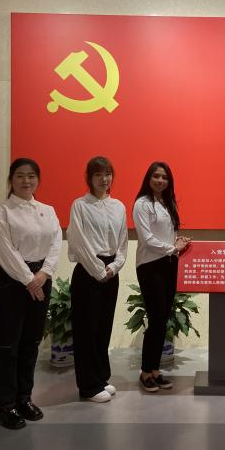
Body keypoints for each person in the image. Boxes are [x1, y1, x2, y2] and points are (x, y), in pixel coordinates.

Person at [0, 158, 62, 429]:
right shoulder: (1, 212)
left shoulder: (47, 210)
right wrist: (30, 280)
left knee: (30, 341)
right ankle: (5, 405)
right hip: (9, 281)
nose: (26, 181)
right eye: (20, 176)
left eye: (31, 176)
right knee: (6, 344)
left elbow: (56, 243)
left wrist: (44, 273)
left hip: (41, 278)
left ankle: (24, 398)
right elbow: (5, 251)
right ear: (11, 180)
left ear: (38, 180)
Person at [68, 156, 128, 403]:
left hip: (110, 272)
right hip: (87, 272)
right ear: (89, 178)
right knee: (86, 330)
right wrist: (98, 270)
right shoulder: (80, 205)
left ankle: (101, 378)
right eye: (98, 175)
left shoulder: (119, 207)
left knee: (103, 327)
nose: (104, 179)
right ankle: (88, 386)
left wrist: (113, 267)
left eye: (108, 174)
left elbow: (122, 243)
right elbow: (77, 241)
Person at [133, 162, 190, 392]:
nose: (160, 180)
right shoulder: (142, 204)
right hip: (150, 265)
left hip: (168, 264)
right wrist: (173, 248)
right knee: (156, 319)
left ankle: (155, 370)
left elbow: (168, 234)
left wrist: (178, 242)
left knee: (163, 319)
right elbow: (146, 239)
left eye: (164, 177)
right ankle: (145, 372)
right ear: (148, 178)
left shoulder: (168, 203)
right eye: (156, 176)